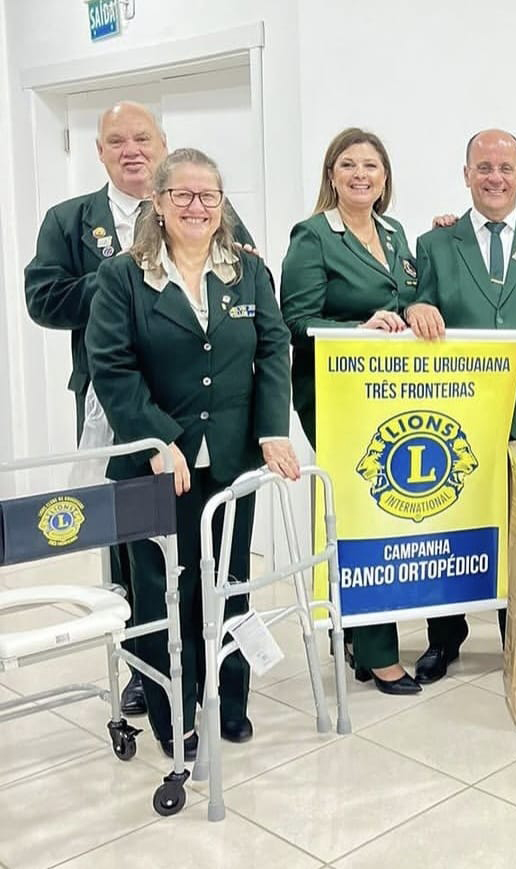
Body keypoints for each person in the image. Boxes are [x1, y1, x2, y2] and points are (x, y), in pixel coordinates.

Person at [23, 101, 257, 717]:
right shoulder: (70, 220)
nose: (132, 150)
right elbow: (43, 300)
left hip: (204, 410)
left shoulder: (209, 207)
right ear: (99, 151)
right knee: (136, 552)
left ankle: (217, 678)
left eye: (143, 139)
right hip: (119, 405)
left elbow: (245, 285)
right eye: (117, 141)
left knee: (211, 552)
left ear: (162, 144)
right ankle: (145, 669)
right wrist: (124, 280)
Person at [86, 148, 298, 759]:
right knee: (162, 593)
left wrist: (271, 430)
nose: (197, 206)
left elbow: (273, 348)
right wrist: (159, 440)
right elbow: (112, 367)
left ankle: (228, 701)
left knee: (228, 583)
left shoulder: (247, 271)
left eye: (209, 196)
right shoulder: (123, 277)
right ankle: (172, 713)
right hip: (153, 467)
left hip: (230, 459)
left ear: (222, 204)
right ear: (158, 202)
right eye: (183, 194)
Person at [406, 129, 516, 683]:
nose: (495, 178)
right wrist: (414, 306)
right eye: (483, 167)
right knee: (450, 520)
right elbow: (414, 304)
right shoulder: (434, 244)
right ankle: (445, 636)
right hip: (456, 414)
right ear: (466, 174)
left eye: (505, 168)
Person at [280, 128, 423, 696]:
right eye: (348, 165)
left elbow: (406, 295)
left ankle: (359, 637)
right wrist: (358, 329)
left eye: (371, 165)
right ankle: (378, 651)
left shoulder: (395, 232)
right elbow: (296, 321)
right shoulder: (313, 235)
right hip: (334, 394)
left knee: (388, 510)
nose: (361, 174)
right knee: (363, 511)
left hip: (388, 392)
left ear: (385, 177)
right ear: (331, 175)